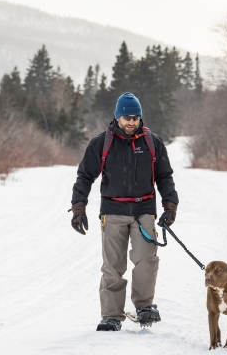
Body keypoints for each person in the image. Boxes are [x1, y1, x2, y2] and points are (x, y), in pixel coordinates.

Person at [70, 92, 179, 331]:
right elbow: (85, 176)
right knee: (113, 265)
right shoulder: (102, 142)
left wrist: (170, 207)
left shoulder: (152, 142)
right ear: (117, 117)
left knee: (146, 260)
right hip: (113, 209)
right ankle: (111, 315)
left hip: (144, 210)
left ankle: (143, 306)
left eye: (135, 117)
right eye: (127, 117)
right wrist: (79, 208)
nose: (131, 122)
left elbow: (164, 177)